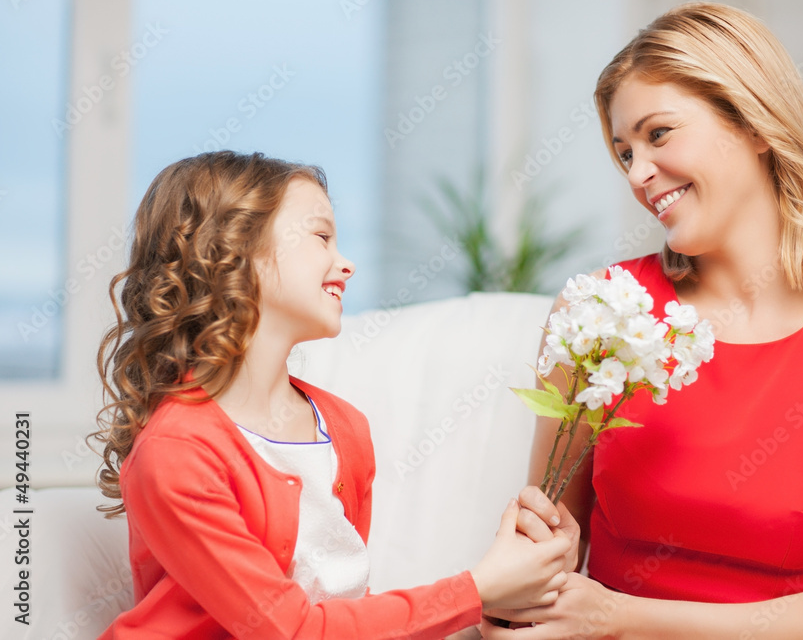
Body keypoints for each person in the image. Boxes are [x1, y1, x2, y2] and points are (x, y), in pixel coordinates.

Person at [485, 2, 803, 638]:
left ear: (754, 123)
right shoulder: (602, 309)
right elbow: (538, 572)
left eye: (659, 134)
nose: (640, 174)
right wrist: (529, 587)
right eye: (623, 153)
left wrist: (617, 618)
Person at [90, 151, 572, 639]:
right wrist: (479, 591)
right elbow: (291, 631)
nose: (346, 264)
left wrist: (511, 592)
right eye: (321, 237)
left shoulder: (343, 426)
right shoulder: (176, 452)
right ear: (232, 249)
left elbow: (346, 609)